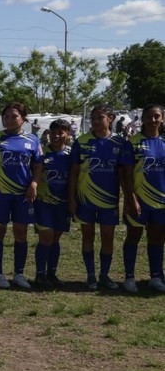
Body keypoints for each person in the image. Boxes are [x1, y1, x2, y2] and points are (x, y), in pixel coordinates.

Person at [0, 103, 43, 289]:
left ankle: (18, 273)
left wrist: (34, 183)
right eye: (6, 117)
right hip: (0, 194)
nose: (9, 120)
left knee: (21, 234)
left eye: (13, 116)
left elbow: (38, 165)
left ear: (23, 118)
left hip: (22, 195)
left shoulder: (32, 140)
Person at [68, 106, 122, 290]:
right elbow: (73, 173)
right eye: (93, 118)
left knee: (108, 237)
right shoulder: (81, 142)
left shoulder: (120, 142)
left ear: (110, 118)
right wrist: (72, 198)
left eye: (100, 118)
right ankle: (90, 275)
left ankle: (105, 275)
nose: (96, 121)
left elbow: (125, 173)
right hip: (85, 200)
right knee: (87, 235)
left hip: (109, 200)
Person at [120, 103, 165, 293]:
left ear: (162, 119)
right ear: (143, 119)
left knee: (156, 239)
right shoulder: (132, 143)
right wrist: (131, 198)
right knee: (133, 237)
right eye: (149, 116)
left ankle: (155, 277)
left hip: (161, 202)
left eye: (157, 116)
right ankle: (129, 278)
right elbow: (125, 175)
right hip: (139, 201)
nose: (152, 120)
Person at [33, 119, 72, 287]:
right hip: (44, 202)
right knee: (46, 237)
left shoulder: (71, 155)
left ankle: (52, 273)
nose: (56, 136)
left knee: (55, 239)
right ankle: (39, 275)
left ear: (67, 134)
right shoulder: (42, 154)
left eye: (60, 132)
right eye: (53, 132)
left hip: (62, 203)